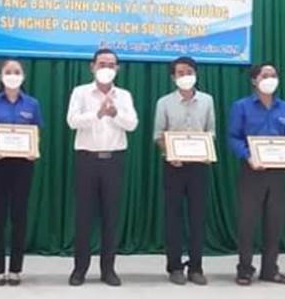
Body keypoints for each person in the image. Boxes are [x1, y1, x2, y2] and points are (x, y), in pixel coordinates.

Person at [66, 48, 138, 287]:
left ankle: (108, 269)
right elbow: (72, 121)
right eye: (102, 64)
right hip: (86, 159)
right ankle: (80, 269)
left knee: (111, 216)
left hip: (114, 160)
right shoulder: (80, 92)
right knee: (84, 217)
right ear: (92, 66)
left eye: (111, 64)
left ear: (118, 69)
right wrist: (97, 114)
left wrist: (115, 113)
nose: (106, 68)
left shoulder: (124, 95)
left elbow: (132, 124)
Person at [228, 62, 285, 286]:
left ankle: (270, 269)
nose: (270, 79)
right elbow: (233, 137)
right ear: (254, 80)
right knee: (247, 222)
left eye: (273, 75)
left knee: (275, 222)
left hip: (278, 173)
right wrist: (248, 156)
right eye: (265, 75)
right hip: (252, 171)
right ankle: (244, 269)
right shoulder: (241, 106)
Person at [0, 59, 44, 286]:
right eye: (8, 71)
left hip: (23, 166)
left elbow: (36, 135)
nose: (12, 75)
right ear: (1, 76)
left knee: (19, 216)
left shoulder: (32, 104)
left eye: (17, 71)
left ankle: (15, 269)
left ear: (23, 76)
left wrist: (33, 150)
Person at [153, 56, 215, 286]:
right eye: (180, 72)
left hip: (199, 166)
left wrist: (205, 151)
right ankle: (175, 267)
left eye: (189, 71)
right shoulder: (164, 102)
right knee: (173, 217)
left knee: (198, 217)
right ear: (173, 77)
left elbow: (211, 132)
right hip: (173, 166)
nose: (185, 76)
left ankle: (196, 267)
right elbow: (158, 134)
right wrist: (170, 153)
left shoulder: (207, 100)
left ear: (196, 74)